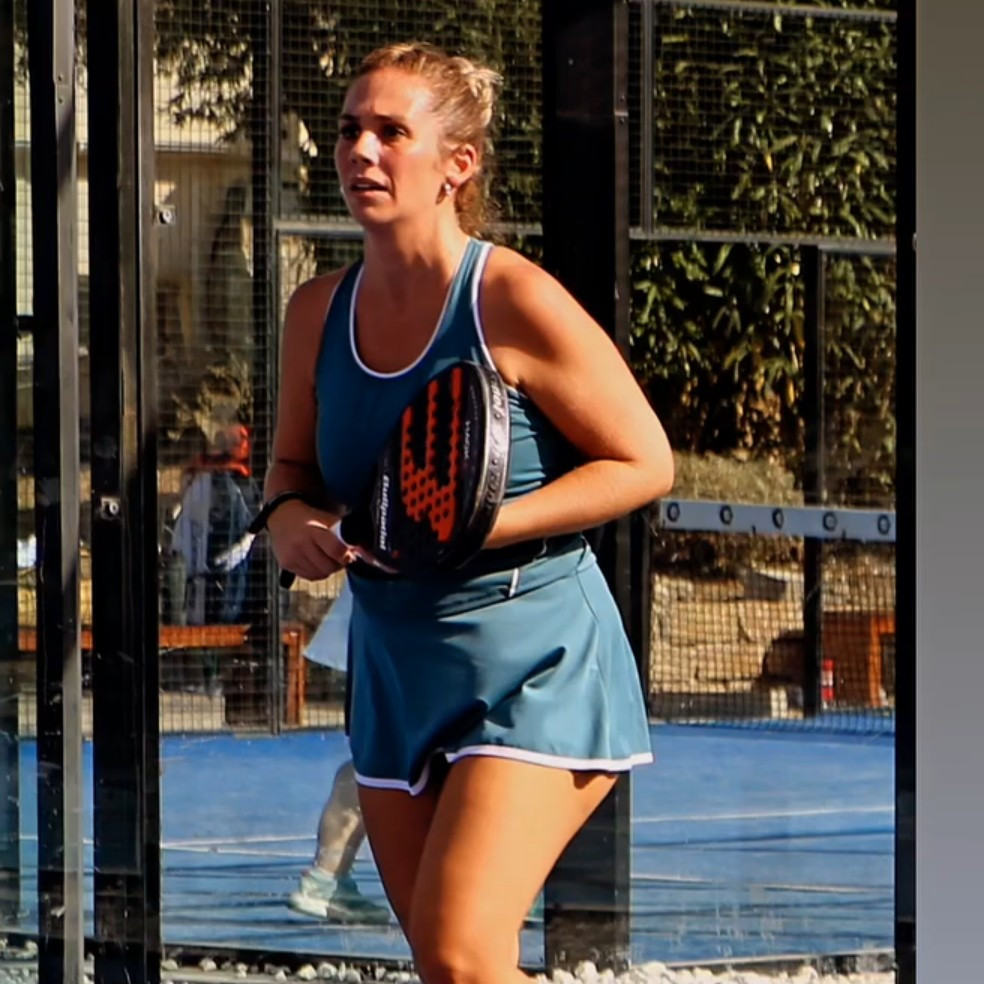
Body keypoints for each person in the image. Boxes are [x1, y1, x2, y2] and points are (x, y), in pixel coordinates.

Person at [256, 41, 674, 984]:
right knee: (453, 970)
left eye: (390, 131)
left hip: (535, 661)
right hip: (394, 668)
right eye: (349, 130)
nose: (360, 150)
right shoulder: (315, 311)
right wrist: (286, 518)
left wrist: (480, 526)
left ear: (458, 163)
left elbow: (645, 461)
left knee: (460, 951)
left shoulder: (512, 297)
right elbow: (290, 468)